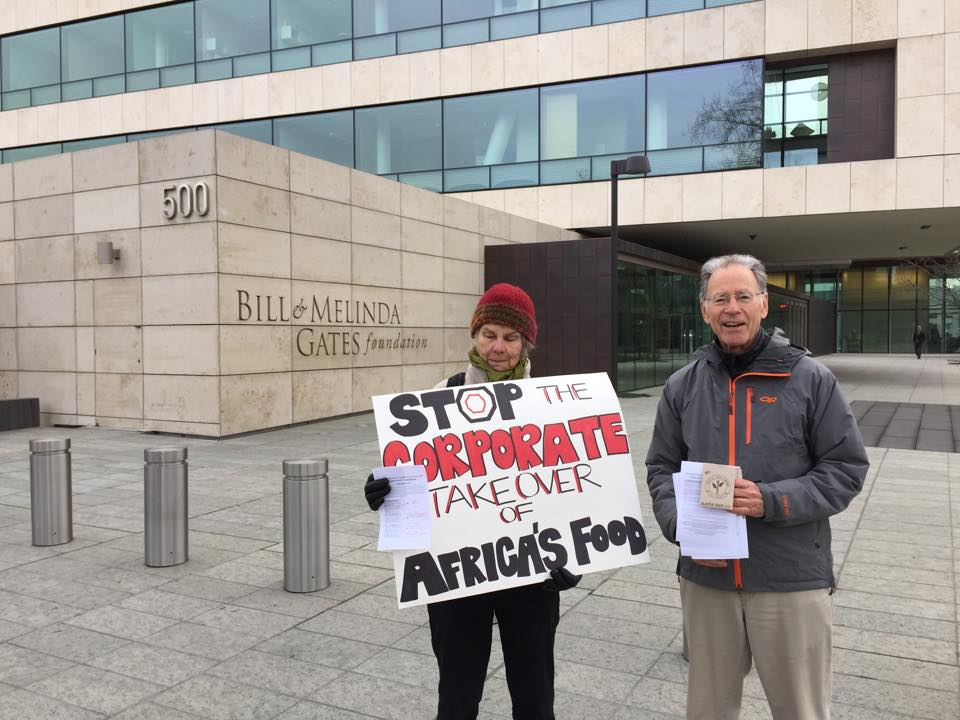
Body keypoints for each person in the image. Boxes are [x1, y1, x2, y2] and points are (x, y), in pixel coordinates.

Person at [646, 254, 868, 720]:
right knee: (708, 711)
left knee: (800, 710)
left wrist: (770, 499)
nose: (732, 308)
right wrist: (680, 525)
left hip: (790, 579)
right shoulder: (680, 386)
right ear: (704, 310)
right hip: (707, 578)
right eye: (720, 298)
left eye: (743, 296)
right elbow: (661, 467)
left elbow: (846, 468)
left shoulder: (811, 379)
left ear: (764, 304)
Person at [364, 282, 581, 720]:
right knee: (457, 699)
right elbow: (419, 476)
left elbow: (574, 489)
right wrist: (384, 490)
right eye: (489, 334)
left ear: (526, 343)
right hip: (457, 576)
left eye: (510, 337)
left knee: (536, 699)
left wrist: (573, 556)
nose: (498, 347)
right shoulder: (438, 396)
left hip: (532, 573)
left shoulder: (552, 404)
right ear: (475, 335)